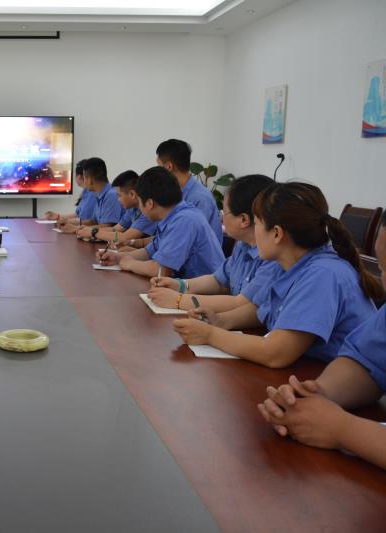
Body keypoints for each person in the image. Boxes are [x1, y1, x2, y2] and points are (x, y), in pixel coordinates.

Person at [173, 182, 381, 368]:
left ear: (277, 234)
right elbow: (261, 310)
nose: (254, 232)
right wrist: (220, 320)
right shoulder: (286, 263)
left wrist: (210, 335)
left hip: (336, 381)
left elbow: (276, 353)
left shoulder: (322, 274)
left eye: (257, 224)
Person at [257, 214, 386, 468]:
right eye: (383, 267)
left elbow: (277, 351)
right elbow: (366, 361)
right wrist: (315, 395)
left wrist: (342, 429)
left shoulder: (325, 272)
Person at [147, 174, 278, 312]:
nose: (221, 218)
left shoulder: (272, 258)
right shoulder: (242, 245)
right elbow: (218, 281)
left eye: (224, 212)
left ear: (244, 220)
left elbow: (241, 304)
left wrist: (179, 300)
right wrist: (180, 285)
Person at [98, 166, 224, 278]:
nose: (139, 207)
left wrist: (130, 264)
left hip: (204, 293)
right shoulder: (171, 216)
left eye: (140, 202)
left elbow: (160, 270)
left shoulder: (184, 220)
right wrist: (118, 257)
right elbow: (149, 252)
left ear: (149, 203)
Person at [155, 139, 223, 243]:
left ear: (169, 166)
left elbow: (187, 241)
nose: (158, 172)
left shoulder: (200, 198)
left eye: (159, 166)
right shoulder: (176, 192)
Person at [93, 170, 157, 247]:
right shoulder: (132, 209)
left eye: (119, 195)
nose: (118, 199)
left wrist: (93, 233)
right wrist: (90, 230)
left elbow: (125, 237)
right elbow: (115, 229)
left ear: (132, 194)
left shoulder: (147, 211)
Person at [74, 157, 126, 240]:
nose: (84, 181)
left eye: (84, 177)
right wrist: (81, 227)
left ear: (89, 179)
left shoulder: (111, 195)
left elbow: (106, 226)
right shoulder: (99, 194)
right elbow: (93, 221)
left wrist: (85, 229)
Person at [44, 160, 95, 228]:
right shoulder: (86, 191)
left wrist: (66, 222)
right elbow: (78, 215)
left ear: (79, 176)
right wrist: (58, 216)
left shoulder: (92, 194)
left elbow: (85, 219)